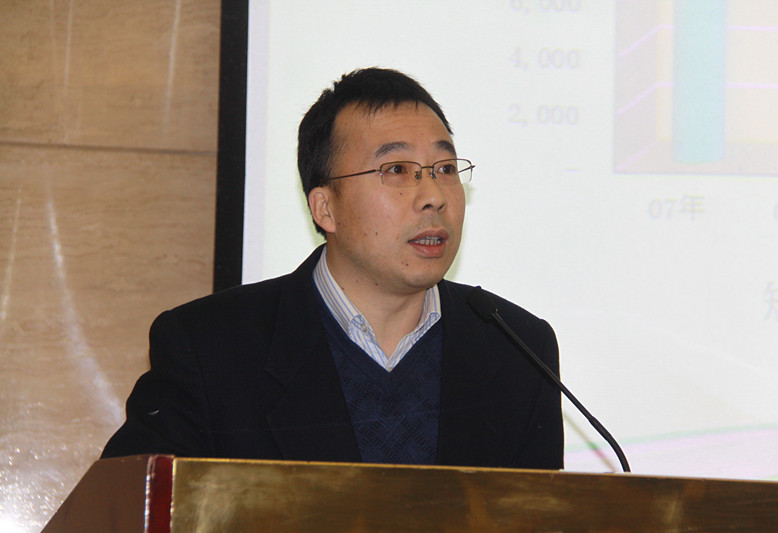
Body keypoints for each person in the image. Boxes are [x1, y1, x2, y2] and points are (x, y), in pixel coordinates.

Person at [102, 68, 564, 469]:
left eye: (444, 168)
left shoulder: (519, 350)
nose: (434, 196)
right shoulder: (210, 348)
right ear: (325, 208)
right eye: (397, 170)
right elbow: (122, 512)